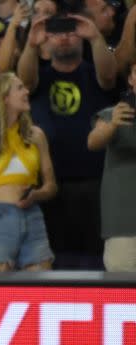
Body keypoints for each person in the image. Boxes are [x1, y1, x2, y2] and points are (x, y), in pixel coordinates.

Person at [18, 11, 116, 268]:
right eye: (57, 33)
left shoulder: (94, 70)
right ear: (46, 42)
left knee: (96, 257)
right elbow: (25, 82)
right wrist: (30, 44)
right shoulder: (39, 75)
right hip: (51, 182)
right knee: (55, 258)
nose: (64, 38)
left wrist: (96, 38)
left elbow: (108, 77)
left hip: (95, 181)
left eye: (71, 32)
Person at [0, 73, 57, 272]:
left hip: (32, 216)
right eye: (20, 88)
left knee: (42, 290)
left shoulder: (36, 136)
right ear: (4, 97)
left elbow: (51, 186)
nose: (27, 91)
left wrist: (36, 195)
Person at [87, 60, 136, 271]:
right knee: (125, 296)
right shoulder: (113, 114)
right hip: (123, 224)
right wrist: (113, 125)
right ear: (131, 79)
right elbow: (93, 141)